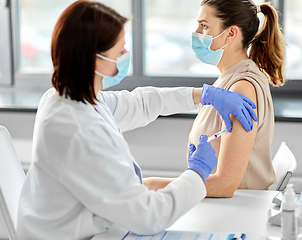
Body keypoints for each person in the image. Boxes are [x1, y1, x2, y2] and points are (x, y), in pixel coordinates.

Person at [16, 1, 258, 239]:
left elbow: (140, 103)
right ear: (95, 58)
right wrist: (196, 172)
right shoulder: (77, 130)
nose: (125, 56)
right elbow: (148, 216)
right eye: (119, 50)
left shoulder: (71, 97)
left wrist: (203, 95)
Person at [144, 0, 286, 197]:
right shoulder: (227, 78)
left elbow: (225, 185)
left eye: (204, 25)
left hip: (236, 210)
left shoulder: (241, 87)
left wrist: (150, 185)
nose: (196, 31)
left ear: (230, 33)